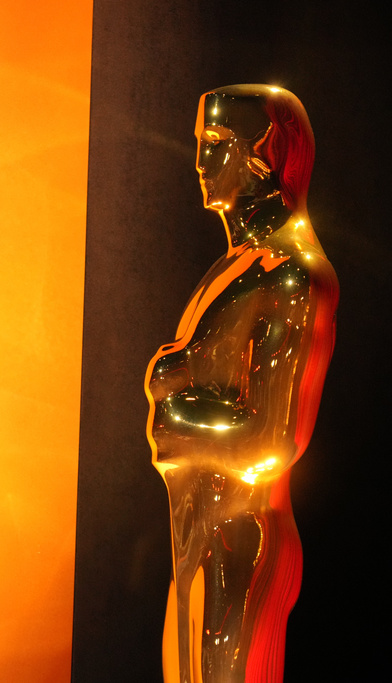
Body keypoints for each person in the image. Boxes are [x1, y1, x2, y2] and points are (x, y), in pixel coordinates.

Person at [145, 85, 338, 683]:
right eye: (199, 145)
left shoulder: (293, 274)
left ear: (263, 154)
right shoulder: (235, 269)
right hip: (200, 537)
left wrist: (174, 418)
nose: (201, 163)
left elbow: (271, 441)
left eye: (215, 145)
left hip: (242, 541)